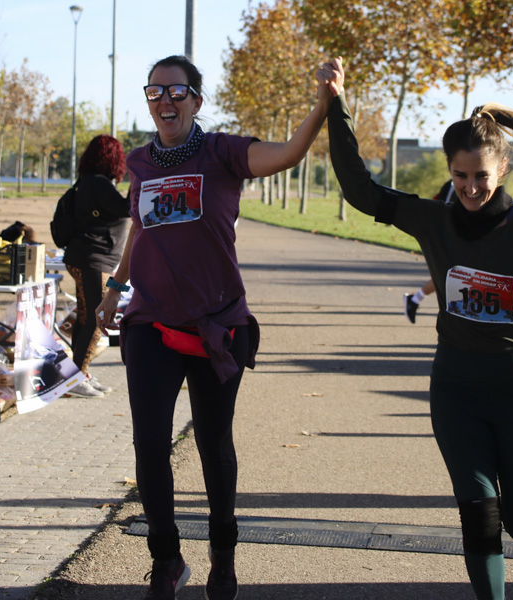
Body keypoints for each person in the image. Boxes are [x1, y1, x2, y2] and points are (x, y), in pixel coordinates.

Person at [321, 57, 513, 600]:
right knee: (478, 514)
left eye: (481, 177)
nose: (470, 188)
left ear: (503, 171)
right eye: (460, 176)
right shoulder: (432, 220)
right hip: (456, 386)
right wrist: (336, 104)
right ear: (450, 170)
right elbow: (361, 190)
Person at [93, 55, 335, 600]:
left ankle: (222, 555)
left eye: (177, 91)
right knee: (149, 443)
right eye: (155, 91)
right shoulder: (140, 163)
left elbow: (290, 153)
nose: (166, 101)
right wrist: (115, 288)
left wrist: (321, 106)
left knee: (212, 443)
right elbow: (140, 230)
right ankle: (166, 559)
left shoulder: (222, 153)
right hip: (150, 322)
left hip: (215, 325)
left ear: (197, 100)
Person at [62, 135, 130, 398]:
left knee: (85, 316)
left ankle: (79, 373)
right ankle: (75, 377)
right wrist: (138, 182)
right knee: (96, 317)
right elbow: (127, 208)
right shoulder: (99, 184)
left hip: (82, 258)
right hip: (93, 260)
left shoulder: (86, 183)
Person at [403, 180, 454, 323]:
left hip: (456, 238)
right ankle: (414, 299)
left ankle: (414, 299)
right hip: (447, 237)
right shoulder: (453, 185)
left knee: (447, 276)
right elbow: (445, 211)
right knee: (447, 276)